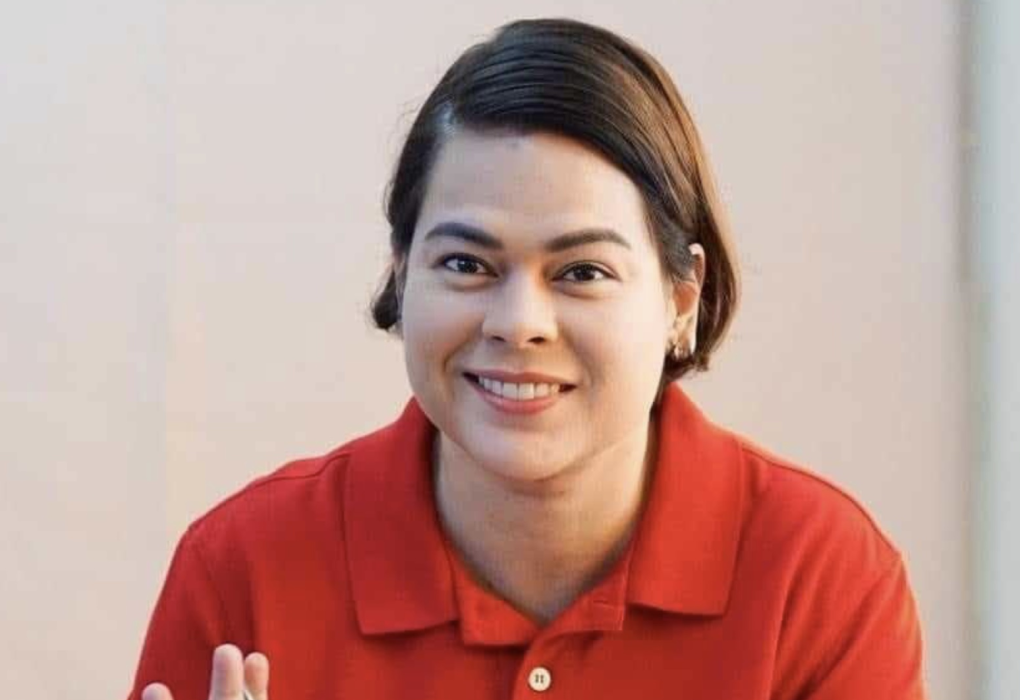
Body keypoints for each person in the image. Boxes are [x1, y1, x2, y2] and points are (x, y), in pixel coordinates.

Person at [129, 18, 927, 700]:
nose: (518, 324)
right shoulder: (243, 569)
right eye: (466, 264)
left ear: (682, 299)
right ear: (401, 276)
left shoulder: (819, 576)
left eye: (582, 272)